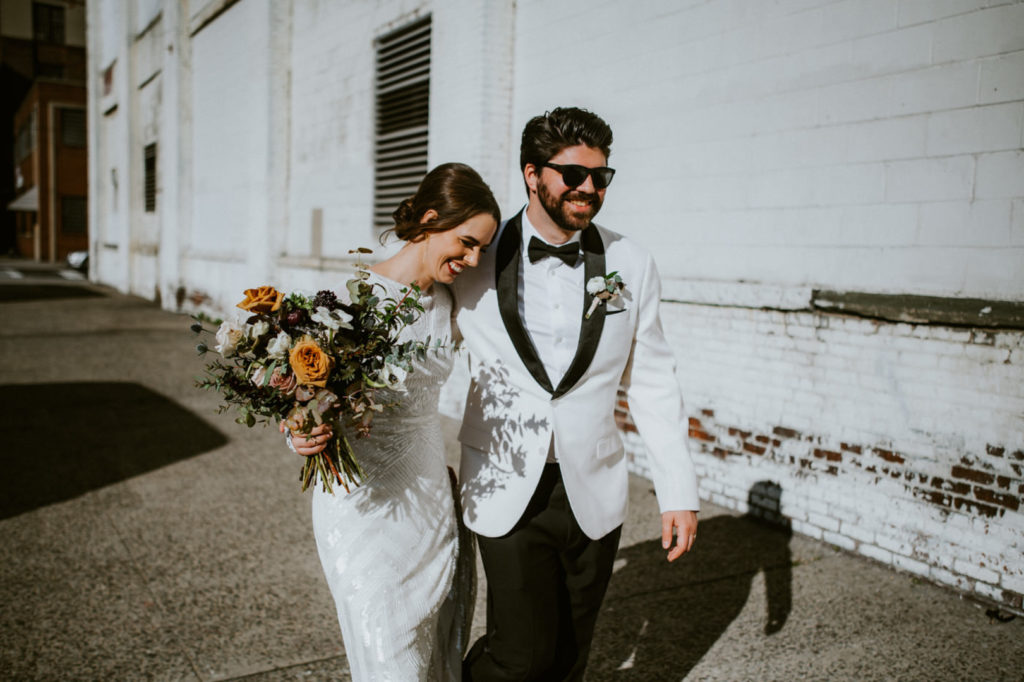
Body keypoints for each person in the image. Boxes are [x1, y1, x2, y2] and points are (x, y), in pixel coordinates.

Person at [451, 107, 700, 681]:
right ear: (532, 174)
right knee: (520, 657)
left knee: (568, 657)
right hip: (504, 481)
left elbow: (654, 380)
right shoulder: (474, 258)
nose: (589, 188)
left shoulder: (631, 263)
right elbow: (416, 348)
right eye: (573, 175)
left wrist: (677, 491)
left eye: (602, 177)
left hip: (593, 485)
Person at [287, 162, 500, 681]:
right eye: (466, 243)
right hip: (360, 502)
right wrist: (299, 431)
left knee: (428, 644)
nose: (472, 260)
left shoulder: (450, 303)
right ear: (430, 219)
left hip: (428, 494)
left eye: (480, 251)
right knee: (388, 652)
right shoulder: (345, 302)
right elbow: (300, 395)